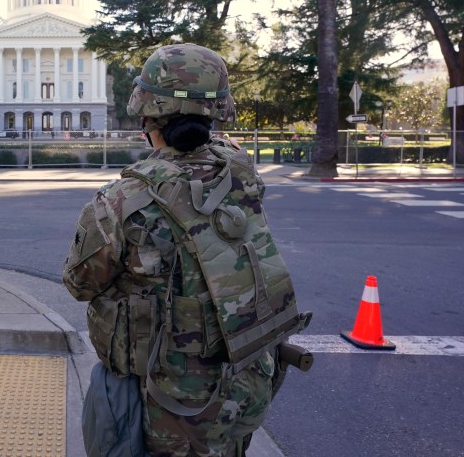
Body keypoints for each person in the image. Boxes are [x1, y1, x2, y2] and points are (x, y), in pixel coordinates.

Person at [63, 44, 309, 456]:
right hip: (245, 388)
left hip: (170, 405)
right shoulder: (241, 174)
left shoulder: (123, 199)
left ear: (146, 114)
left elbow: (78, 283)